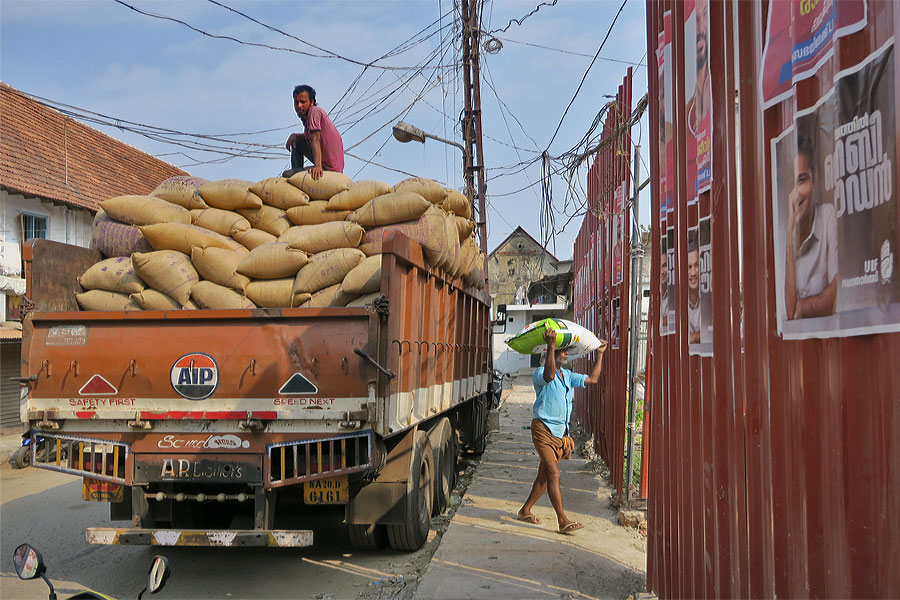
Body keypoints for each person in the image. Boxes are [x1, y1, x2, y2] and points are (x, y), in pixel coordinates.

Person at [517, 327, 607, 534]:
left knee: (544, 476)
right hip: (543, 430)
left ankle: (525, 510)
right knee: (554, 474)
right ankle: (563, 520)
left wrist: (600, 355)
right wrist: (551, 345)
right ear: (551, 352)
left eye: (567, 351)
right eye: (562, 350)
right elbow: (549, 376)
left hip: (560, 433)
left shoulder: (567, 375)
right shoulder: (539, 374)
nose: (566, 353)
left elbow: (593, 379)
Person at [784, 135, 838, 319]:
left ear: (814, 178)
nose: (796, 194)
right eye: (792, 184)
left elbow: (835, 294)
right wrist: (790, 230)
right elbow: (790, 312)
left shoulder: (828, 215)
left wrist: (803, 306)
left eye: (802, 180)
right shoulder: (787, 233)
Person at [283, 84, 344, 180]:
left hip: (329, 168)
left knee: (287, 175)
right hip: (326, 165)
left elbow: (315, 139)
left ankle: (295, 176)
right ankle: (296, 172)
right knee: (297, 141)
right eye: (296, 102)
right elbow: (309, 136)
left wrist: (317, 166)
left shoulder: (314, 111)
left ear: (311, 102)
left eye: (303, 102)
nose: (299, 106)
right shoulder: (307, 119)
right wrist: (295, 135)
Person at [687, 234, 701, 343]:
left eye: (696, 265)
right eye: (689, 267)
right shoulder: (678, 303)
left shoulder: (710, 299)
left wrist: (695, 337)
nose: (693, 273)